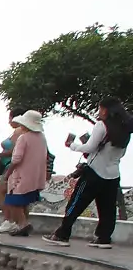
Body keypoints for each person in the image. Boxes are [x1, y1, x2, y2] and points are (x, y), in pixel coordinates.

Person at [48, 98, 128, 248]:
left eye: (100, 109)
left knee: (76, 203)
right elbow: (119, 153)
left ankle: (62, 234)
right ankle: (104, 238)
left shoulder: (101, 125)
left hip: (94, 172)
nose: (99, 112)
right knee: (108, 208)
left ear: (105, 110)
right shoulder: (125, 129)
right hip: (113, 174)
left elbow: (89, 147)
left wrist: (72, 145)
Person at [0, 111, 47, 237]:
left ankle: (23, 224)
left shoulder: (24, 138)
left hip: (21, 176)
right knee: (24, 202)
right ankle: (22, 224)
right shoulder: (42, 137)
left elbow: (16, 159)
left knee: (13, 202)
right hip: (35, 176)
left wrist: (7, 174)